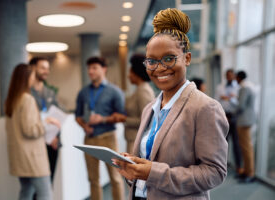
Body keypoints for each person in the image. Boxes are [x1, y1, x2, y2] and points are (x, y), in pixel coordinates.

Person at [113, 8, 229, 200]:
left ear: (187, 58)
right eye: (152, 61)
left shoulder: (205, 108)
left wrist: (153, 173)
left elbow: (214, 172)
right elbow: (148, 164)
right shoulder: (149, 109)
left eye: (169, 58)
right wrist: (133, 171)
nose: (159, 68)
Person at [5, 63, 60, 200]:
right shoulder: (27, 99)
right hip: (32, 157)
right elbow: (30, 130)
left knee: (26, 192)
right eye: (32, 76)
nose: (33, 79)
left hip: (20, 156)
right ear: (27, 78)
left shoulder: (11, 100)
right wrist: (46, 122)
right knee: (45, 193)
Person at [75, 56, 125, 200]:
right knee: (93, 180)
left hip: (108, 137)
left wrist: (102, 119)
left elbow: (122, 116)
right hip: (89, 138)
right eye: (89, 68)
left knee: (115, 177)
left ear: (104, 69)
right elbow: (77, 116)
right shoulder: (83, 92)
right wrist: (84, 125)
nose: (90, 71)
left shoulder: (115, 91)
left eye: (94, 68)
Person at [29, 57, 61, 182]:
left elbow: (56, 115)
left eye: (47, 68)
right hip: (35, 143)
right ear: (32, 68)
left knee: (49, 182)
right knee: (35, 185)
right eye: (42, 68)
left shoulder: (50, 93)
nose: (46, 71)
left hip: (51, 143)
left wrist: (55, 136)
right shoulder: (27, 92)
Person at [124, 54, 155, 153]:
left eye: (130, 72)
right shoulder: (139, 90)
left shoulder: (143, 91)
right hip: (133, 139)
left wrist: (124, 119)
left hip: (137, 142)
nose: (128, 76)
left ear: (137, 73)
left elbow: (147, 120)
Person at [215, 69, 242, 175]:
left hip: (234, 117)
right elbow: (216, 101)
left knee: (236, 143)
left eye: (231, 75)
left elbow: (238, 103)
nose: (229, 77)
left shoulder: (238, 88)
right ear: (225, 76)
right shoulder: (220, 87)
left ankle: (239, 166)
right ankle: (221, 166)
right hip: (223, 116)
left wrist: (230, 99)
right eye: (227, 75)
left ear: (234, 76)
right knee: (222, 142)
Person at [235, 70, 256, 183]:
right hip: (247, 120)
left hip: (244, 121)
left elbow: (241, 106)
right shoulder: (249, 86)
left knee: (246, 148)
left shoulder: (244, 88)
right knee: (246, 147)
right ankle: (246, 171)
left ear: (239, 78)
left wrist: (233, 113)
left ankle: (250, 173)